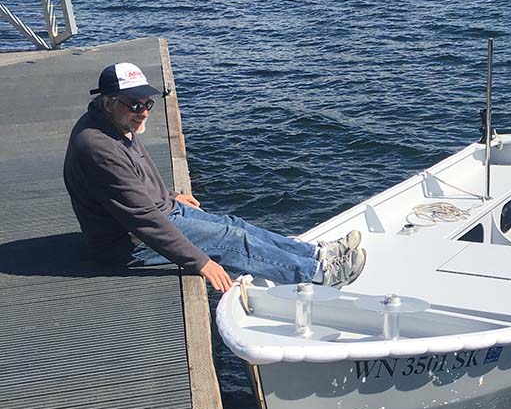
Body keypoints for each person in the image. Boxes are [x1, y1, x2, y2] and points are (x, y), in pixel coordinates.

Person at [63, 62, 366, 293]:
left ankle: (316, 253)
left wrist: (170, 196)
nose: (143, 112)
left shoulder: (115, 123)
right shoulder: (98, 147)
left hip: (159, 211)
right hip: (129, 242)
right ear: (108, 102)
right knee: (231, 241)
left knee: (235, 224)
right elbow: (142, 220)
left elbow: (134, 180)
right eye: (135, 105)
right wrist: (201, 261)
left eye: (147, 104)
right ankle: (319, 274)